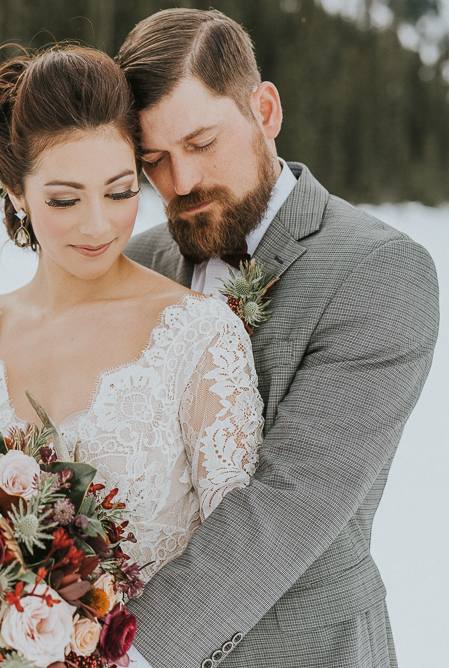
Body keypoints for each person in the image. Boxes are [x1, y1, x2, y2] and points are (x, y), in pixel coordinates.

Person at [116, 9, 439, 668]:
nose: (180, 183)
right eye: (155, 160)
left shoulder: (379, 270)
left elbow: (290, 502)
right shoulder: (140, 260)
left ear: (265, 109)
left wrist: (118, 652)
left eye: (202, 142)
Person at [0, 43, 264, 631]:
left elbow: (238, 567)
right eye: (64, 199)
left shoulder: (198, 335)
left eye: (120, 191)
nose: (98, 225)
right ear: (17, 193)